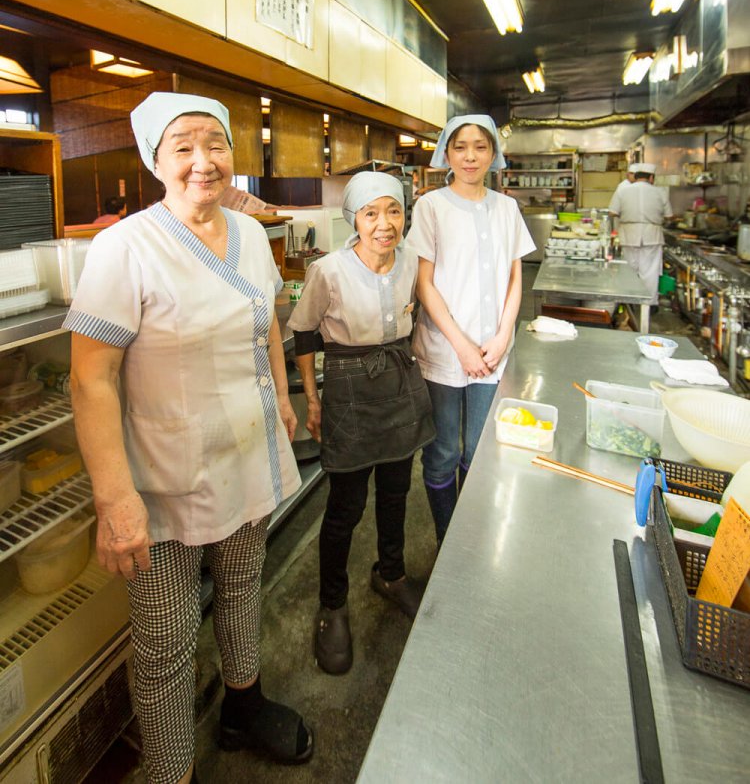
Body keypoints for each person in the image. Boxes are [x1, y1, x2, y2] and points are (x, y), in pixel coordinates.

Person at [65, 92, 313, 784]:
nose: (203, 160)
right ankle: (172, 772)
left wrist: (281, 399)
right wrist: (115, 499)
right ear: (156, 161)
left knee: (242, 587)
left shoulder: (250, 234)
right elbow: (90, 379)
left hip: (247, 452)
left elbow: (267, 321)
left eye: (215, 142)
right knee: (166, 642)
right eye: (183, 146)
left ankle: (243, 704)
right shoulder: (124, 247)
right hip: (163, 476)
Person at [288, 172, 434, 675]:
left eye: (393, 211)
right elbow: (304, 333)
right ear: (354, 219)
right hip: (349, 387)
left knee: (396, 492)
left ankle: (390, 574)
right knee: (345, 507)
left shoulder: (412, 260)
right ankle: (332, 605)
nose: (384, 224)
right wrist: (313, 400)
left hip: (399, 379)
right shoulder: (328, 270)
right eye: (371, 213)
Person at [405, 115, 535, 545]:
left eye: (480, 147)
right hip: (445, 350)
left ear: (493, 153)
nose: (470, 156)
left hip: (493, 351)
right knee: (442, 451)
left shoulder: (507, 208)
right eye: (460, 147)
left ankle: (472, 542)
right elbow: (424, 283)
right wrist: (461, 345)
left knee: (480, 450)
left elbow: (515, 279)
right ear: (446, 153)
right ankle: (448, 540)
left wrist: (503, 335)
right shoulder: (431, 206)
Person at [608, 163, 673, 309]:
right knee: (650, 272)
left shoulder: (623, 190)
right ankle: (647, 307)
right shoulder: (660, 192)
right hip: (652, 236)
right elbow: (669, 216)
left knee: (629, 270)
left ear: (635, 177)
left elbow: (612, 212)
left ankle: (629, 304)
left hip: (629, 234)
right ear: (651, 178)